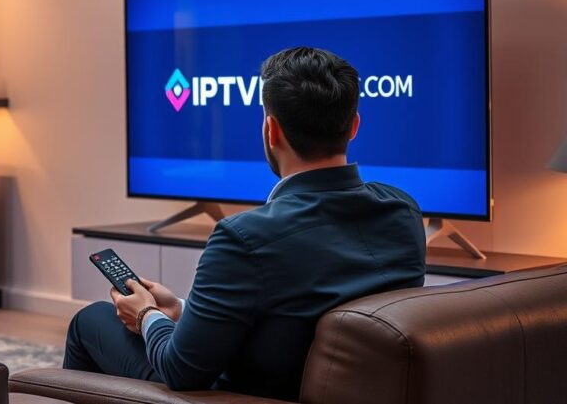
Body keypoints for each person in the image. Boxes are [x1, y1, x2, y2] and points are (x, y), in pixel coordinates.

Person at [63, 47, 426, 401]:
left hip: (241, 393)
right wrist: (182, 310)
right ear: (354, 126)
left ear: (272, 130)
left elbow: (181, 371)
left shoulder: (245, 238)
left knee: (91, 321)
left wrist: (145, 313)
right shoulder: (403, 210)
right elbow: (290, 316)